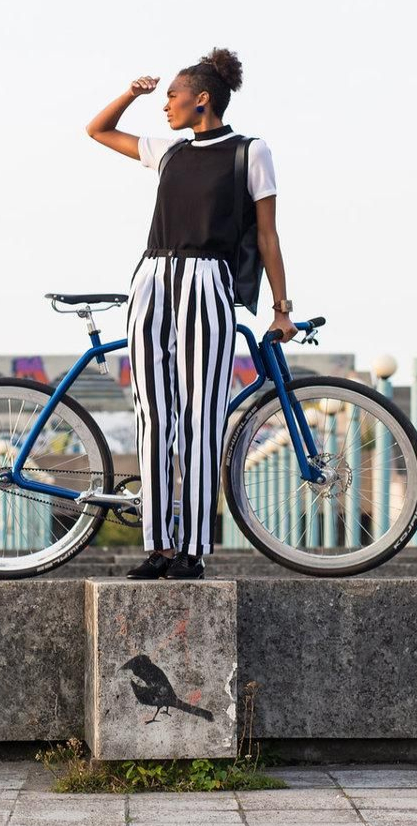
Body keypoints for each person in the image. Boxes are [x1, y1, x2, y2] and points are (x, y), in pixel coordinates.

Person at [85, 47, 294, 581]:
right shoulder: (170, 151)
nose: (166, 105)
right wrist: (132, 93)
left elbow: (267, 234)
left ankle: (192, 550)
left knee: (201, 419)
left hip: (208, 278)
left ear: (203, 99)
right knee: (154, 418)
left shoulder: (250, 151)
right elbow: (98, 130)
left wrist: (280, 307)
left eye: (172, 96)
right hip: (152, 279)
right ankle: (157, 546)